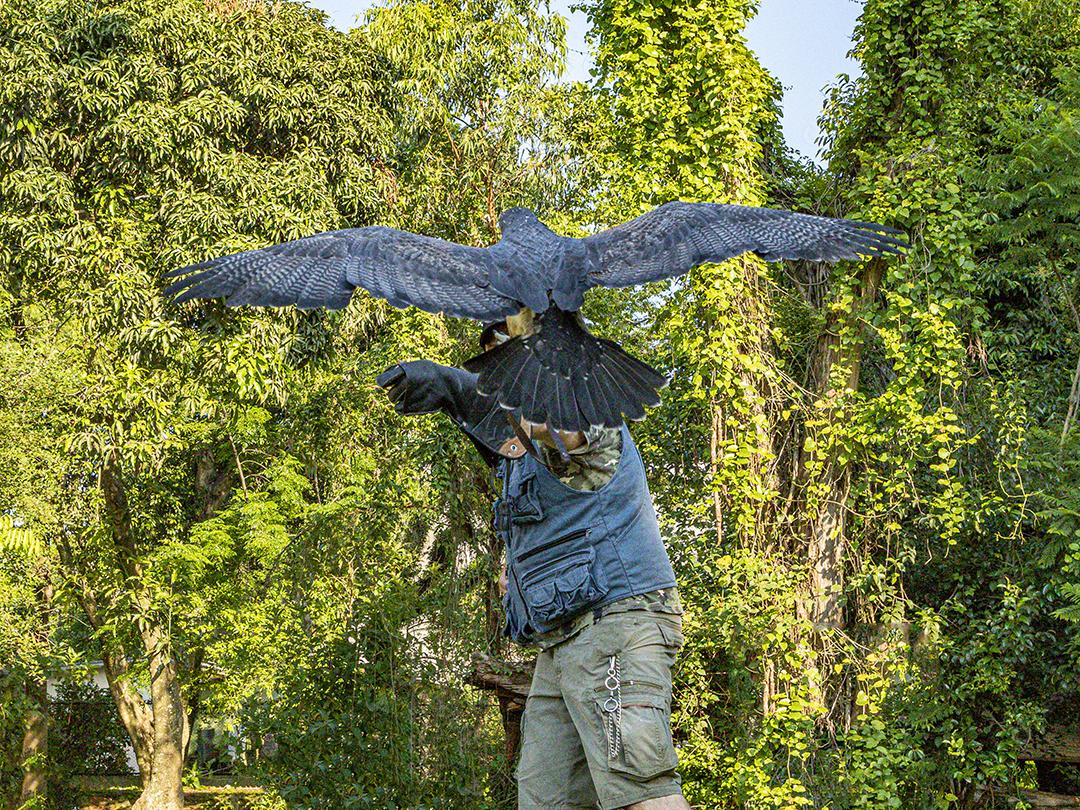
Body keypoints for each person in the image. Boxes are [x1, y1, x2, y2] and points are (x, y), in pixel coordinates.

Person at [377, 322, 689, 810]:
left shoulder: (589, 416)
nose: (504, 374)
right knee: (547, 799)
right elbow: (505, 422)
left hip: (617, 628)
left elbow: (564, 430)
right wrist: (448, 384)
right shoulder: (519, 451)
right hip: (558, 644)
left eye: (513, 356)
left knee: (638, 792)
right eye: (496, 361)